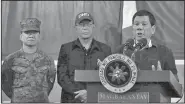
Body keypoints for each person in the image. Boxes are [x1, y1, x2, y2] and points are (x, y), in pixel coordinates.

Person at [57, 12, 112, 103]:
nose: (85, 28)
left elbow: (109, 77)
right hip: (71, 99)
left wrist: (90, 93)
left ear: (93, 26)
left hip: (97, 99)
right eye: (81, 25)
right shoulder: (66, 49)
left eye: (88, 24)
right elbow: (62, 77)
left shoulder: (105, 50)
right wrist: (79, 93)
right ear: (76, 27)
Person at [115, 10, 179, 81]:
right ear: (133, 28)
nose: (139, 27)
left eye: (144, 24)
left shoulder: (164, 52)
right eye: (136, 24)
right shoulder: (121, 50)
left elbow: (176, 83)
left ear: (153, 29)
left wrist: (163, 77)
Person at [2, 18, 56, 103]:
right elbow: (5, 84)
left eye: (34, 32)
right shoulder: (10, 59)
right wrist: (19, 96)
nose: (31, 35)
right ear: (21, 36)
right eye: (27, 32)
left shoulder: (48, 59)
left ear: (39, 36)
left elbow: (50, 83)